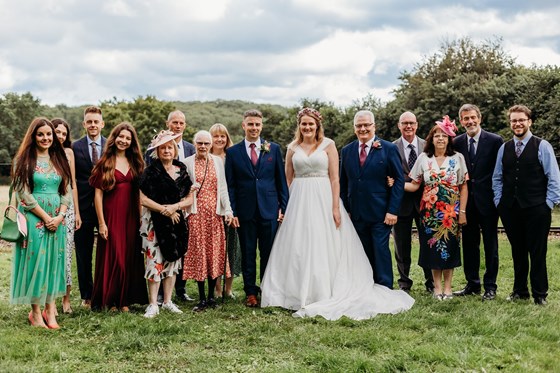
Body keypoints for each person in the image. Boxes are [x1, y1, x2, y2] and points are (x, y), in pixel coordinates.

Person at [261, 108, 414, 320]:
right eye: (304, 124)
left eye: (311, 124)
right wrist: (284, 206)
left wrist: (336, 207)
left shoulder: (330, 145)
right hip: (299, 200)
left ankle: (381, 286)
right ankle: (298, 291)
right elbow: (287, 179)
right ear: (299, 126)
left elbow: (336, 179)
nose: (307, 127)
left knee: (334, 243)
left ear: (317, 126)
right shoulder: (292, 148)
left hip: (326, 200)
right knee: (299, 244)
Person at [492, 105, 560, 305]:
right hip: (510, 208)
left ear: (529, 122)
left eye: (521, 120)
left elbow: (554, 178)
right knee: (517, 251)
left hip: (537, 208)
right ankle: (520, 291)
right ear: (510, 123)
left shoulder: (542, 146)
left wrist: (547, 203)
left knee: (537, 252)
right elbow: (497, 178)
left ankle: (540, 294)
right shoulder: (504, 148)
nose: (517, 123)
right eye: (514, 120)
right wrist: (499, 201)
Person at [10, 117, 72, 329]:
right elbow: (23, 193)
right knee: (36, 262)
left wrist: (60, 216)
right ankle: (35, 313)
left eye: (49, 134)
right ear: (33, 136)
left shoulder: (59, 158)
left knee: (54, 263)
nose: (46, 138)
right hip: (34, 218)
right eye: (41, 134)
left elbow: (67, 190)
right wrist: (45, 218)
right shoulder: (24, 160)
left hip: (58, 218)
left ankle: (50, 311)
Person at [225, 109, 289, 307]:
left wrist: (283, 208)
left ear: (262, 126)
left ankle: (269, 289)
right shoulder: (233, 152)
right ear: (243, 125)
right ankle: (250, 292)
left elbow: (281, 181)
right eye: (250, 124)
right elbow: (231, 185)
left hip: (269, 210)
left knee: (269, 252)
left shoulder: (274, 149)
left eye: (257, 124)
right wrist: (233, 211)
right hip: (245, 211)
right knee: (248, 253)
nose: (254, 128)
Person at [405, 116, 468, 299]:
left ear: (449, 139)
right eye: (436, 136)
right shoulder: (424, 158)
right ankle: (437, 288)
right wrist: (395, 183)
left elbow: (464, 186)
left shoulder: (457, 158)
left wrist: (462, 212)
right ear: (431, 139)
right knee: (432, 250)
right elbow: (414, 185)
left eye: (444, 136)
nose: (440, 138)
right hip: (429, 213)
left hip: (451, 212)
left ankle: (448, 288)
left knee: (449, 248)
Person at [340, 110, 404, 289]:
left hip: (381, 212)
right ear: (354, 128)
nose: (363, 129)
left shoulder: (388, 148)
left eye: (366, 125)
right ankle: (365, 285)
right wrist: (346, 211)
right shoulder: (346, 151)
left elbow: (398, 180)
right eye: (359, 126)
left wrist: (393, 210)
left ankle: (384, 286)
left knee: (380, 249)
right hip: (356, 213)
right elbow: (343, 183)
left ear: (374, 126)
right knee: (362, 251)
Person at [89, 122, 148, 311]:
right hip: (111, 215)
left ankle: (125, 300)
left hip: (131, 215)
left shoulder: (136, 163)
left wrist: (141, 218)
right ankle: (111, 299)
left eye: (128, 138)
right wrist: (101, 222)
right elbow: (97, 195)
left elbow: (140, 193)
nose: (124, 141)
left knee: (129, 256)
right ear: (114, 138)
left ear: (132, 142)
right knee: (115, 257)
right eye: (121, 137)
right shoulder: (105, 162)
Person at [139, 130, 194, 318]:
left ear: (175, 150)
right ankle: (153, 303)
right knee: (154, 261)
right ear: (157, 151)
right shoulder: (151, 171)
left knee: (172, 261)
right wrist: (164, 210)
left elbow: (189, 198)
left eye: (170, 147)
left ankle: (168, 301)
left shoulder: (181, 169)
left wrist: (175, 207)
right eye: (163, 148)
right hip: (154, 223)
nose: (167, 151)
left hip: (176, 223)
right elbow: (143, 198)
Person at [453, 104, 503, 301]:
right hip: (466, 203)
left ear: (479, 118)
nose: (470, 122)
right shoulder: (456, 142)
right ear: (461, 122)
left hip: (488, 201)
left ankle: (490, 286)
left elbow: (501, 170)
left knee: (491, 244)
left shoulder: (495, 140)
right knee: (469, 244)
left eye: (472, 117)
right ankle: (472, 284)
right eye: (465, 119)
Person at [183, 130, 234, 311]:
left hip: (214, 216)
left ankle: (212, 296)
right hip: (196, 216)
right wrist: (190, 190)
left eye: (206, 143)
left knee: (213, 255)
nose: (203, 146)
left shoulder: (218, 162)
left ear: (211, 144)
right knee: (199, 255)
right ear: (194, 144)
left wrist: (227, 210)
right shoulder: (187, 163)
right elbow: (181, 190)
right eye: (199, 143)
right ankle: (202, 298)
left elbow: (223, 189)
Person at [392, 111, 434, 293]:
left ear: (417, 125)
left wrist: (411, 183)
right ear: (399, 126)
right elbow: (390, 173)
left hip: (425, 202)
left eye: (411, 123)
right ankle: (404, 283)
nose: (408, 126)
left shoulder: (428, 146)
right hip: (400, 203)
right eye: (404, 123)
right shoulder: (391, 148)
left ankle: (431, 282)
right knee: (401, 246)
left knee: (428, 244)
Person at [72, 106, 106, 308]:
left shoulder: (112, 145)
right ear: (84, 124)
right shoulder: (75, 148)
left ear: (102, 124)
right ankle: (87, 295)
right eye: (89, 121)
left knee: (106, 252)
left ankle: (105, 291)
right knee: (83, 253)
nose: (93, 125)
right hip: (82, 207)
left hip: (107, 207)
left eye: (96, 121)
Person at [52, 118, 82, 314]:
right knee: (51, 255)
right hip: (48, 207)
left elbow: (73, 184)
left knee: (66, 255)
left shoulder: (69, 153)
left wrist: (77, 212)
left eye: (64, 133)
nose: (60, 136)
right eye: (57, 132)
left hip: (68, 209)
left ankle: (66, 300)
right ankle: (50, 301)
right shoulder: (43, 153)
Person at [209, 123, 241, 299]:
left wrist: (233, 210)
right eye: (216, 136)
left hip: (232, 207)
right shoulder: (206, 157)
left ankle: (229, 288)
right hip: (213, 208)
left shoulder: (232, 157)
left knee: (231, 247)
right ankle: (217, 288)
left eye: (223, 136)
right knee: (216, 249)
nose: (220, 139)